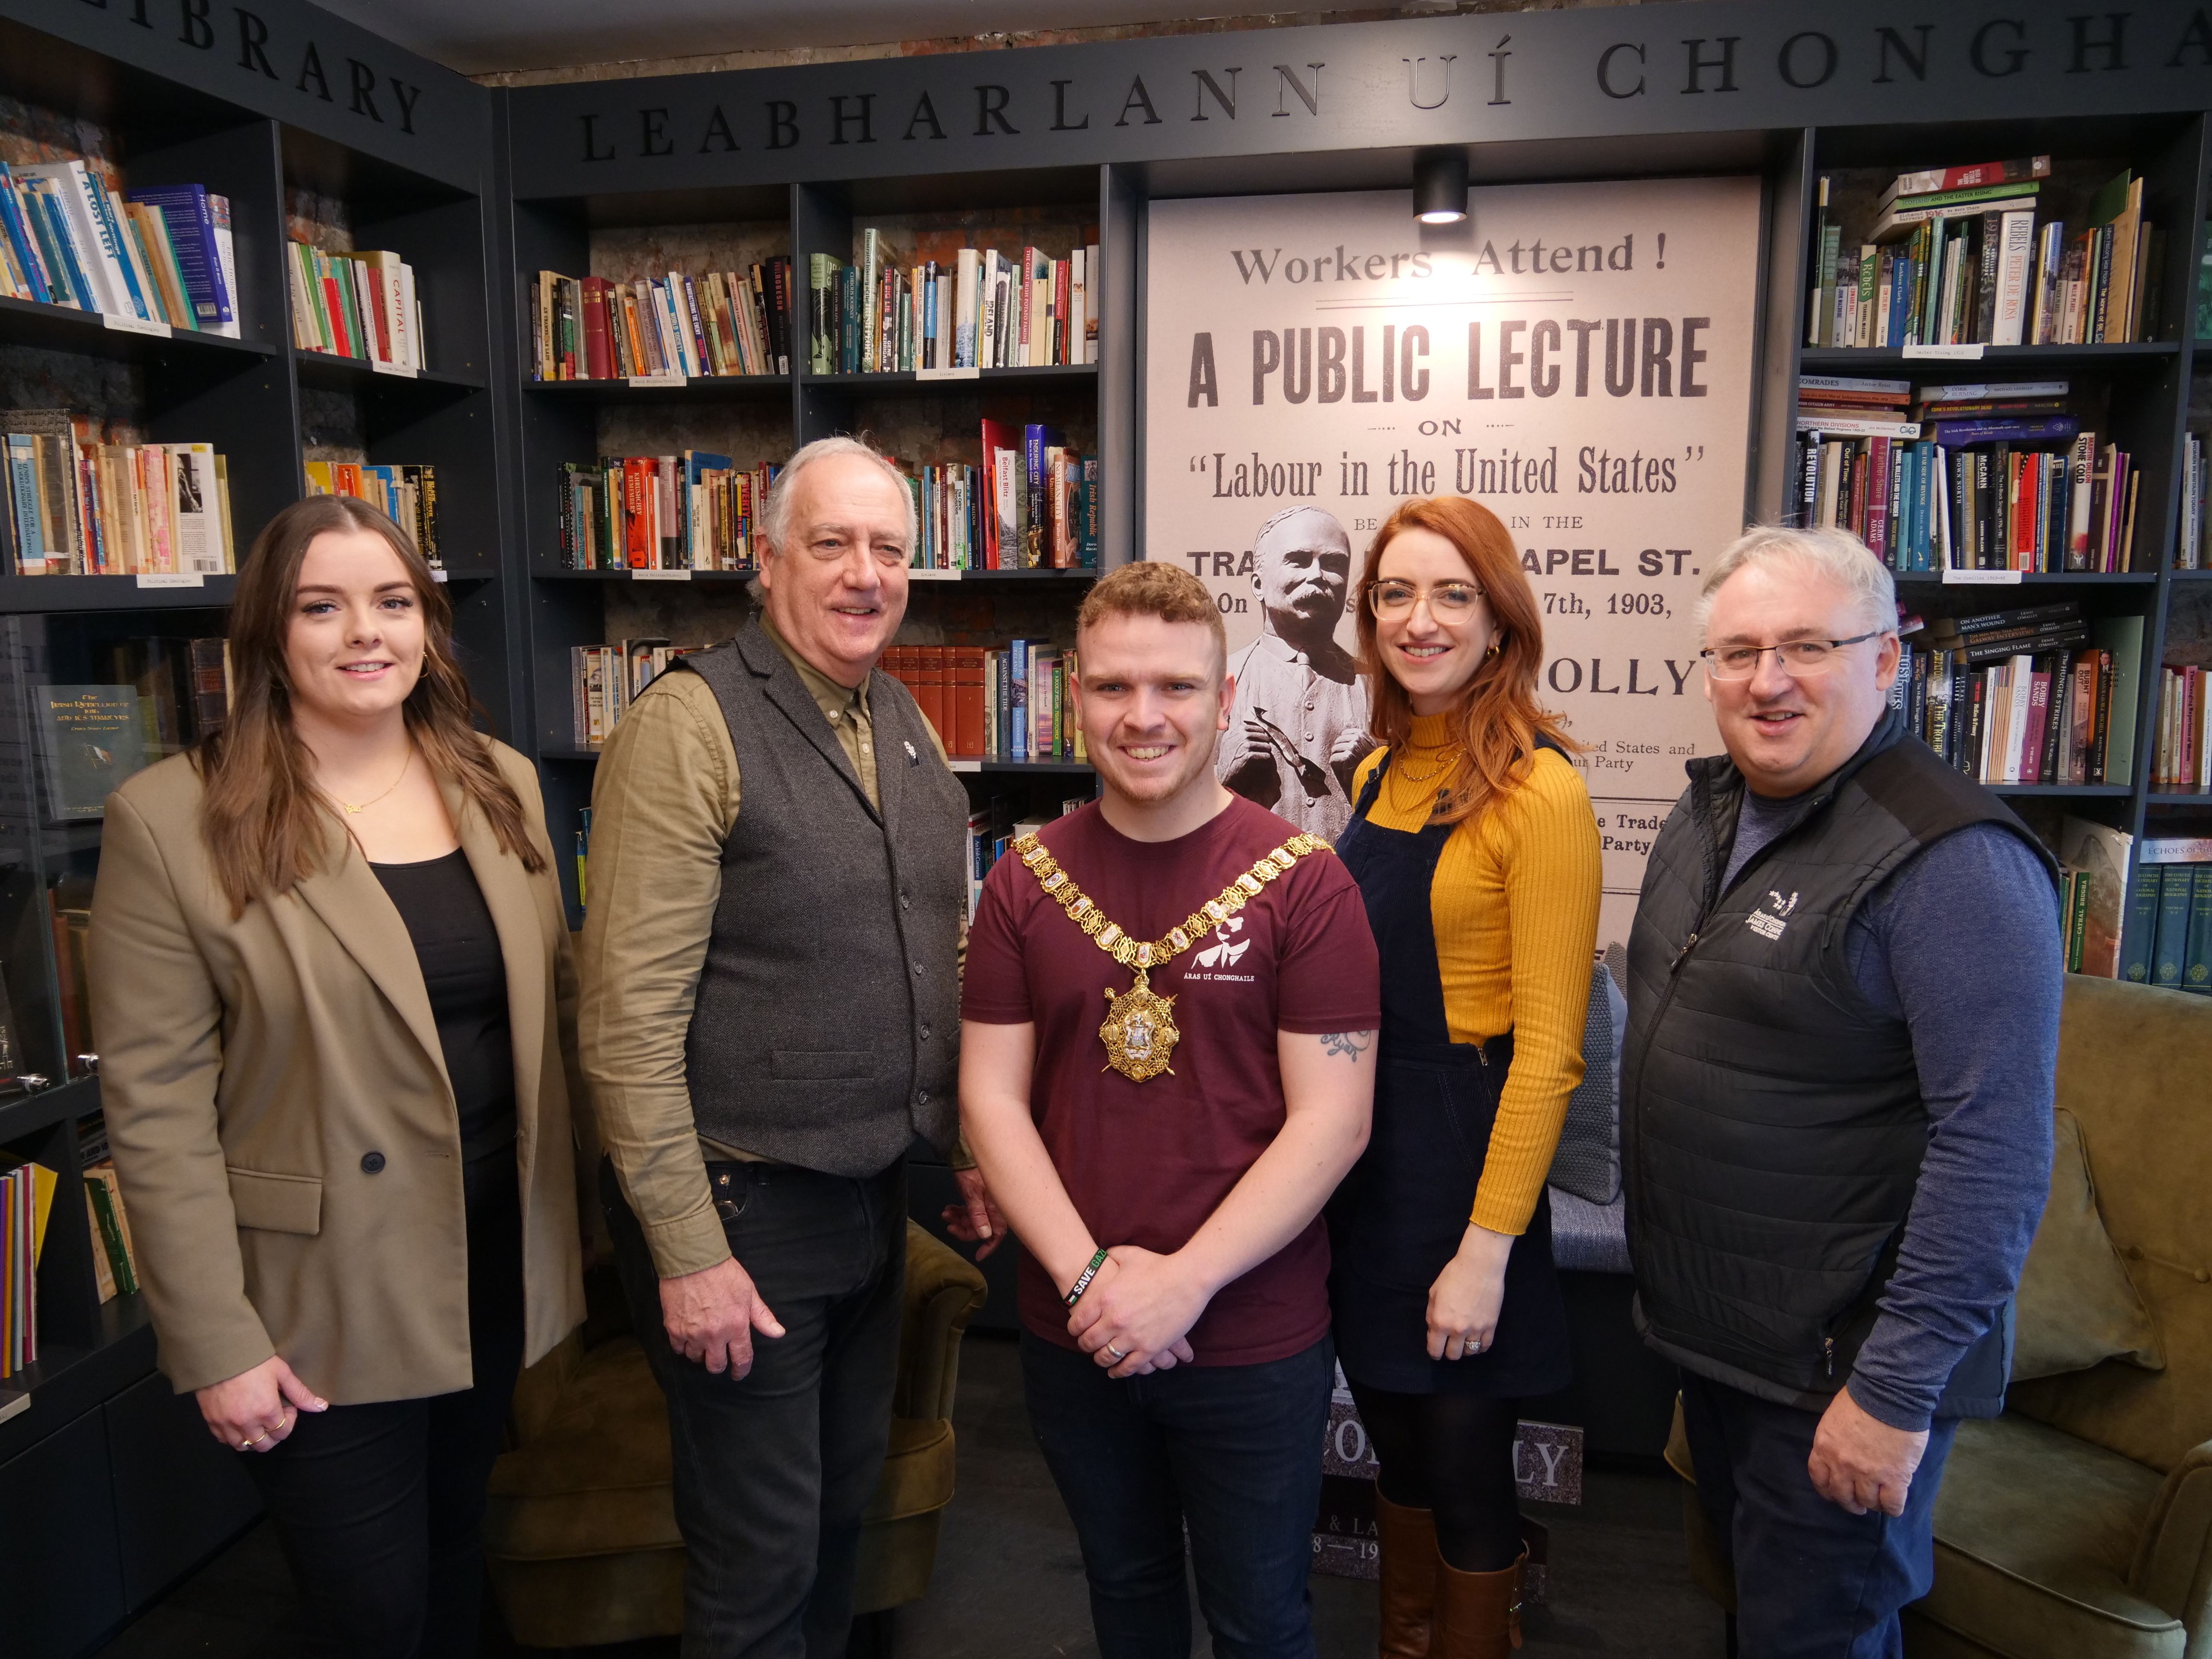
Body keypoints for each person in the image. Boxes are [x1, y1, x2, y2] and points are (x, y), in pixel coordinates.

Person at [88, 494, 586, 1659]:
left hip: (491, 1262)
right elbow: (154, 1114)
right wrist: (218, 1345)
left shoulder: (499, 778)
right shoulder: (173, 821)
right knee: (373, 1612)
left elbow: (556, 1014)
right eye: (324, 607)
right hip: (316, 1299)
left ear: (427, 624)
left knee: (463, 1559)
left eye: (393, 602)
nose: (366, 634)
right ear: (269, 634)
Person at [580, 435, 987, 1659]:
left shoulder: (901, 714)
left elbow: (936, 954)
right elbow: (625, 1025)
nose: (866, 575)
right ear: (765, 562)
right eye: (832, 544)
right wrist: (689, 1252)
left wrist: (961, 1141)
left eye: (891, 550)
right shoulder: (690, 723)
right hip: (743, 1212)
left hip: (872, 1204)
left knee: (834, 1530)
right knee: (756, 1564)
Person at [1623, 525, 2061, 1659]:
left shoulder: (1953, 862)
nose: (1767, 681)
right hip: (1724, 1343)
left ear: (1886, 660)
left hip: (1841, 1375)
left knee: (1819, 1638)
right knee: (1752, 1618)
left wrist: (1894, 1391)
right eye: (1738, 652)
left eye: (1806, 646)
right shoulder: (1709, 807)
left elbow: (1996, 1149)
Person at [961, 560, 1380, 1659]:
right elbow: (990, 1098)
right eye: (1112, 687)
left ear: (1225, 698)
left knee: (1260, 1619)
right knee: (1125, 1594)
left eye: (1176, 688)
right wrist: (1096, 1283)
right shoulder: (1021, 877)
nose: (1143, 717)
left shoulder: (1306, 883)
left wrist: (1182, 1282)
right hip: (1075, 1331)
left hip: (1250, 1337)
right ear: (1076, 694)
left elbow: (1332, 1121)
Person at [1329, 496, 1601, 1659]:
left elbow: (1551, 1051)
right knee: (1393, 1437)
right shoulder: (1374, 770)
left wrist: (1487, 1249)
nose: (1420, 619)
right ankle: (1407, 1641)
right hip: (1366, 1150)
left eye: (1452, 594)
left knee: (1467, 1463)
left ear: (1500, 619)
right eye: (1395, 593)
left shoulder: (1543, 792)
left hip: (1467, 1155)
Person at [1219, 505, 1377, 840]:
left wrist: (1375, 778)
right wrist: (1221, 780)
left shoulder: (1380, 688)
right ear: (1258, 584)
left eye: (1333, 564)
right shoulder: (1215, 682)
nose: (1317, 575)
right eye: (1299, 561)